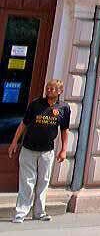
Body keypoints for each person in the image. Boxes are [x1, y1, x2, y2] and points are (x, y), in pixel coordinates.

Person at [8, 78, 69, 222]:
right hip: (29, 148)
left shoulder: (63, 108)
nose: (49, 90)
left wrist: (64, 150)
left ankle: (39, 212)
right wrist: (14, 142)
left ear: (59, 91)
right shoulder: (36, 104)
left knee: (43, 182)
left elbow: (64, 130)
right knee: (27, 182)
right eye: (48, 88)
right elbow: (23, 124)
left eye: (52, 88)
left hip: (47, 151)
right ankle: (21, 213)